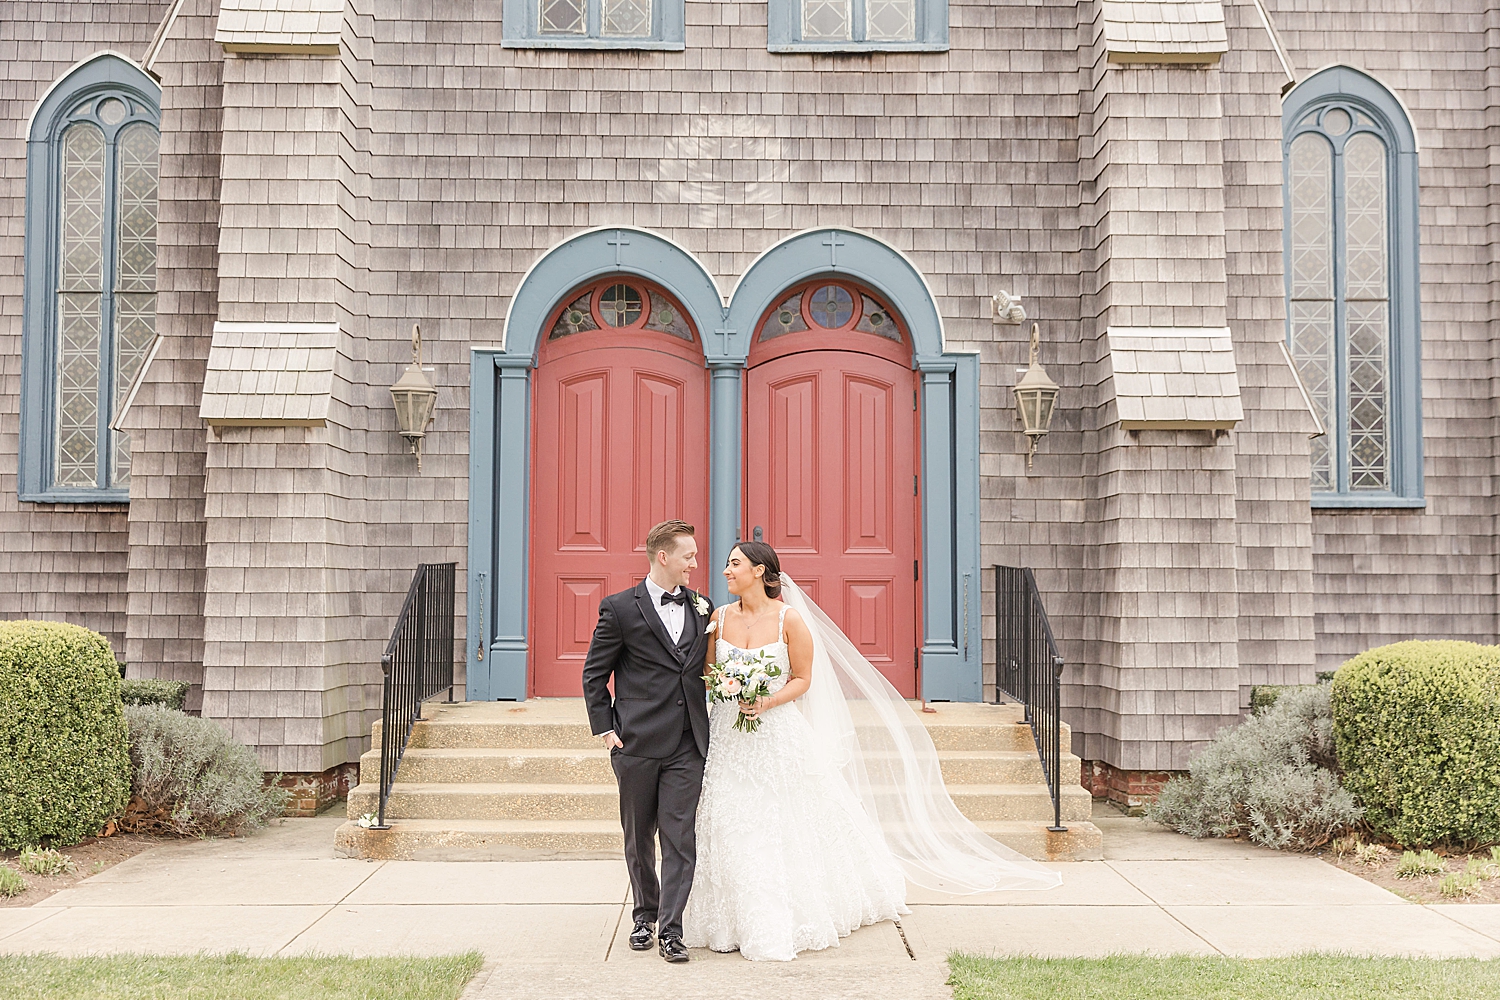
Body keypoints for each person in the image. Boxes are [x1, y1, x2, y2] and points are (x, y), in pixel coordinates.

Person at [683, 541, 1061, 961]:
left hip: (775, 734)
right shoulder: (717, 617)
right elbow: (709, 672)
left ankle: (774, 918)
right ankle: (728, 917)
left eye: (734, 564)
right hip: (730, 738)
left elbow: (804, 679)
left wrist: (766, 700)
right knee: (730, 819)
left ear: (759, 570)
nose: (725, 571)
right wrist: (728, 689)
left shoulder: (789, 621)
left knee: (776, 818)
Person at [582, 520, 715, 964]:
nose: (696, 563)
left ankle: (672, 930)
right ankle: (645, 914)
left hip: (687, 742)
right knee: (639, 837)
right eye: (688, 556)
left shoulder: (703, 606)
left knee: (681, 838)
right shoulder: (619, 608)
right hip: (635, 741)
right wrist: (606, 730)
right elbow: (595, 674)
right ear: (664, 557)